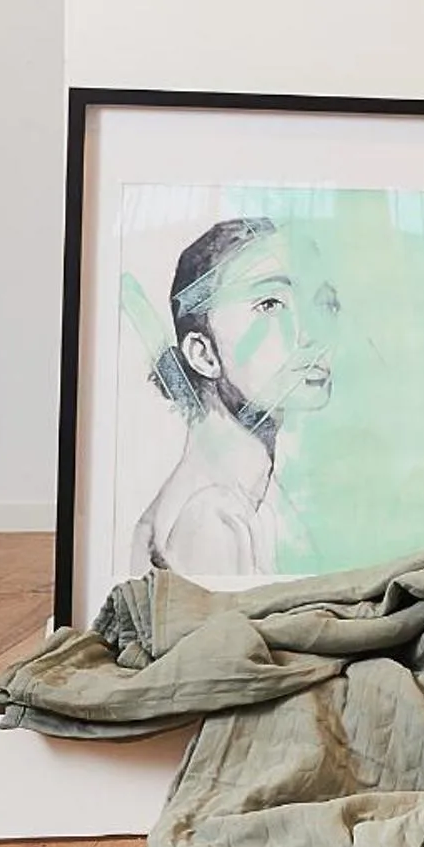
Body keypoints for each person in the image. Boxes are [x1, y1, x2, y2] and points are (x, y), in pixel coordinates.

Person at [128, 216, 336, 578]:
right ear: (203, 354)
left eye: (325, 304)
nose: (312, 334)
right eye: (271, 304)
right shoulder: (211, 517)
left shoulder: (255, 499)